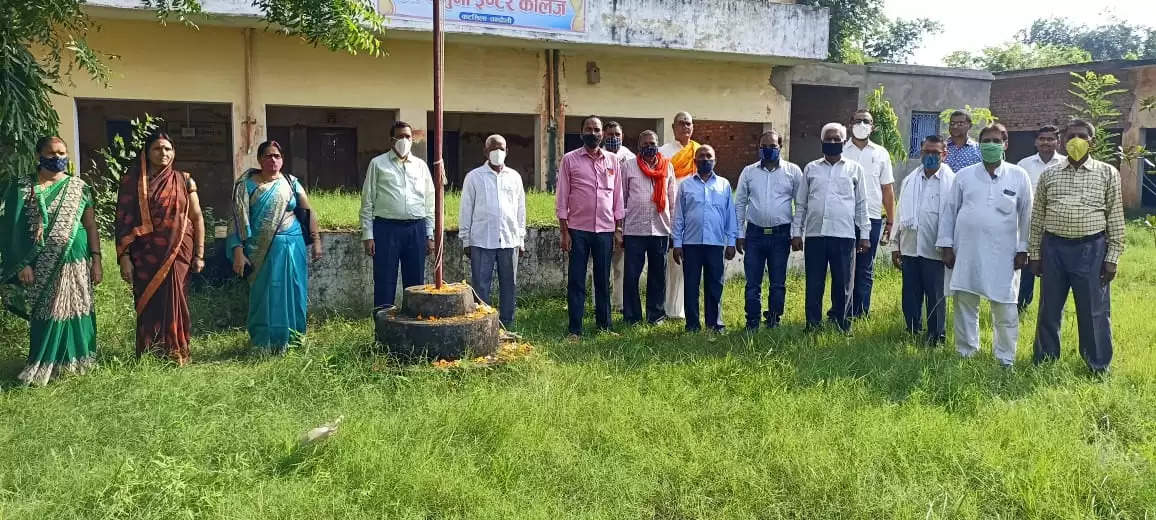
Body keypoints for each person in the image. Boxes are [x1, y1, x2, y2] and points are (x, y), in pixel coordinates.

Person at [0, 137, 101, 385]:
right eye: (52, 153)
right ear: (38, 156)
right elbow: (10, 228)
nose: (58, 158)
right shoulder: (22, 186)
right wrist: (22, 263)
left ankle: (78, 363)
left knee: (77, 309)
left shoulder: (79, 187)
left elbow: (89, 225)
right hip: (39, 263)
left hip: (76, 260)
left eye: (62, 152)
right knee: (46, 311)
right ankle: (43, 363)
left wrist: (96, 259)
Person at [1029, 120, 1125, 375]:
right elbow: (1038, 216)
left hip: (1091, 249)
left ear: (1092, 142)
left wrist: (1112, 258)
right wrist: (1035, 254)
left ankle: (1097, 364)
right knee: (1049, 308)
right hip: (1054, 248)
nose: (1076, 140)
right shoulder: (1049, 174)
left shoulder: (1107, 173)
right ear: (1063, 140)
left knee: (1094, 310)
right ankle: (1045, 360)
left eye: (1082, 136)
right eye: (1071, 136)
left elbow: (1115, 218)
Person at [937, 124, 1032, 367]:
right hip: (967, 250)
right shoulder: (964, 175)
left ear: (1005, 144)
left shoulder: (1018, 175)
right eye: (986, 141)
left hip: (1005, 254)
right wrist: (947, 245)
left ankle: (1005, 358)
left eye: (995, 140)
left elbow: (1027, 215)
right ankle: (966, 352)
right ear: (980, 145)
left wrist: (1024, 248)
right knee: (966, 303)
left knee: (1005, 307)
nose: (991, 145)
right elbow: (950, 211)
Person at [115, 133, 206, 365]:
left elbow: (196, 218)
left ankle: (176, 352)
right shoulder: (133, 182)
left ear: (174, 152)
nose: (163, 153)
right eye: (157, 149)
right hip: (145, 255)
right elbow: (123, 220)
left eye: (167, 148)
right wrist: (124, 257)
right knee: (149, 303)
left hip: (178, 251)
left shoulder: (184, 180)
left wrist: (200, 254)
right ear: (147, 152)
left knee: (177, 300)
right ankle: (149, 353)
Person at [227, 141, 322, 352]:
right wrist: (238, 251)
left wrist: (316, 240)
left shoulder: (291, 182)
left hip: (294, 245)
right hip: (262, 252)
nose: (273, 160)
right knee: (266, 294)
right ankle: (264, 342)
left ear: (282, 160)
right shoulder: (246, 185)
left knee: (295, 291)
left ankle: (295, 339)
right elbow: (235, 221)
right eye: (269, 156)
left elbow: (308, 212)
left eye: (277, 156)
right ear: (260, 159)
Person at [792, 123, 869, 333]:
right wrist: (796, 232)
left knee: (843, 284)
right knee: (814, 283)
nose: (833, 142)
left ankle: (841, 324)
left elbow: (862, 204)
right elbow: (802, 203)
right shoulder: (811, 168)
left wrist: (865, 235)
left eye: (837, 139)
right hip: (816, 235)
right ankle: (813, 324)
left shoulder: (855, 169)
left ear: (844, 142)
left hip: (844, 235)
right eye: (829, 139)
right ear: (822, 141)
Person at [556, 115, 624, 338]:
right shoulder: (570, 159)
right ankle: (575, 329)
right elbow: (562, 196)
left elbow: (618, 198)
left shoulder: (612, 161)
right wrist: (564, 232)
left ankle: (604, 326)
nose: (593, 133)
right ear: (581, 132)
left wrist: (618, 229)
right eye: (589, 129)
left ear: (602, 134)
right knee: (576, 280)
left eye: (597, 129)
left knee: (603, 279)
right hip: (578, 229)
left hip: (605, 230)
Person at [360, 121, 435, 310]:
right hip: (386, 229)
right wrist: (368, 235)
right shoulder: (378, 164)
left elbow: (429, 202)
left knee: (416, 283)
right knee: (384, 280)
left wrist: (429, 234)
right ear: (391, 140)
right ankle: (383, 328)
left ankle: (414, 326)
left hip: (416, 228)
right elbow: (367, 201)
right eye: (400, 136)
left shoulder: (421, 166)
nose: (404, 140)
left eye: (407, 137)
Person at [891, 135, 955, 346]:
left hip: (936, 250)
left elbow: (955, 217)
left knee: (936, 294)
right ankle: (912, 330)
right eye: (927, 152)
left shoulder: (952, 183)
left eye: (935, 153)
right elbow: (900, 214)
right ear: (921, 153)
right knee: (910, 293)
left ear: (944, 154)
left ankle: (937, 336)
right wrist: (895, 245)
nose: (930, 156)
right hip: (910, 247)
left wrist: (950, 248)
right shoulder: (910, 180)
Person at [735, 130, 801, 331]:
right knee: (752, 283)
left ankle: (773, 320)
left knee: (777, 283)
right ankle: (752, 322)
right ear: (759, 148)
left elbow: (801, 204)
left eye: (772, 146)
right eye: (764, 146)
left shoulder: (793, 171)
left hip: (781, 235)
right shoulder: (748, 172)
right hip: (754, 235)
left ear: (780, 146)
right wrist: (740, 234)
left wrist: (796, 233)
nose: (768, 150)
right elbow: (740, 204)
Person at [460, 134, 526, 328]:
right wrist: (466, 239)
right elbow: (466, 209)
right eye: (493, 148)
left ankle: (507, 322)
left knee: (509, 285)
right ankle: (482, 324)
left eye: (501, 149)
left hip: (509, 239)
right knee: (481, 286)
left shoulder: (514, 177)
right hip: (481, 240)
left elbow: (520, 209)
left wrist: (521, 238)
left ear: (507, 151)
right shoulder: (474, 177)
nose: (497, 152)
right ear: (485, 151)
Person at [672, 145, 737, 333]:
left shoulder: (724, 185)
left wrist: (731, 242)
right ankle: (692, 324)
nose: (705, 159)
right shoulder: (686, 185)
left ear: (715, 161)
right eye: (701, 156)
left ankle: (714, 323)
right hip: (691, 244)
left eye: (709, 156)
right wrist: (677, 243)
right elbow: (679, 216)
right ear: (695, 161)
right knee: (691, 285)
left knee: (715, 284)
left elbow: (729, 216)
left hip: (715, 244)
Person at [842, 109, 896, 319]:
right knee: (844, 267)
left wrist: (890, 222)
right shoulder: (841, 150)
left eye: (867, 121)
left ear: (873, 127)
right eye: (858, 121)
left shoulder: (881, 153)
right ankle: (842, 310)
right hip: (845, 218)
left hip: (872, 218)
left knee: (865, 267)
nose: (862, 124)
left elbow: (887, 189)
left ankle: (861, 312)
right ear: (849, 124)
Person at [620, 130, 677, 325]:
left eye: (652, 143)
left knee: (658, 276)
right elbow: (622, 198)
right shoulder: (628, 166)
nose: (648, 147)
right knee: (631, 276)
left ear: (658, 145)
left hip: (661, 230)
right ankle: (632, 316)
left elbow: (673, 201)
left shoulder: (667, 167)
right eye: (644, 144)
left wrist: (675, 232)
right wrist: (619, 229)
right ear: (638, 147)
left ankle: (656, 315)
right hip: (634, 230)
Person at [1015, 125, 1064, 312]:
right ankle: (1022, 306)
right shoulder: (1023, 165)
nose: (1046, 142)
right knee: (1026, 265)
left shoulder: (1065, 164)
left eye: (1050, 139)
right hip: (1028, 223)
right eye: (1042, 138)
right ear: (1036, 142)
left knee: (1052, 267)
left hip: (1055, 224)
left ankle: (1049, 308)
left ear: (1058, 142)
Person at [659, 111, 701, 320]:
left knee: (688, 264)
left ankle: (682, 308)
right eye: (681, 123)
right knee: (670, 262)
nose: (685, 127)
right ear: (673, 127)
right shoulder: (663, 152)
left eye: (689, 123)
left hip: (694, 215)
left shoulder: (699, 152)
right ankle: (667, 307)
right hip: (669, 214)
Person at [604, 121, 634, 314]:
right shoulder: (598, 156)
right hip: (602, 218)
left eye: (617, 134)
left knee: (621, 266)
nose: (613, 137)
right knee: (601, 266)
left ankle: (619, 303)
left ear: (622, 136)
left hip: (625, 219)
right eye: (609, 134)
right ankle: (600, 302)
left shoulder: (630, 159)